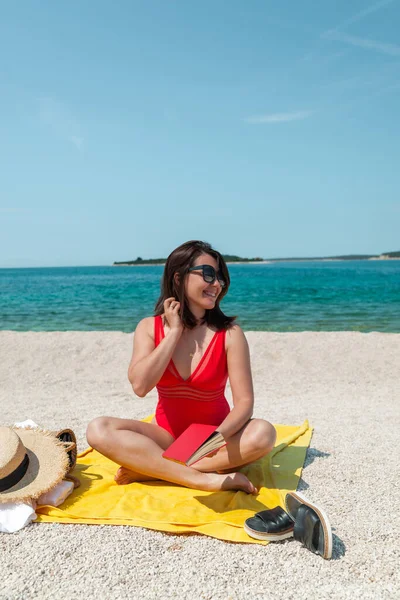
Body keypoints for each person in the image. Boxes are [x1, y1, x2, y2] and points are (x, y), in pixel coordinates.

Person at [86, 240, 276, 493]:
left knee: (264, 433)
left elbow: (244, 404)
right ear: (179, 277)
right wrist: (174, 332)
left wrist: (211, 442)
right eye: (208, 274)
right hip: (165, 438)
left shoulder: (230, 334)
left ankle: (155, 470)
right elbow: (141, 386)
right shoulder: (148, 328)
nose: (217, 284)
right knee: (98, 429)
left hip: (215, 440)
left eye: (220, 277)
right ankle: (202, 478)